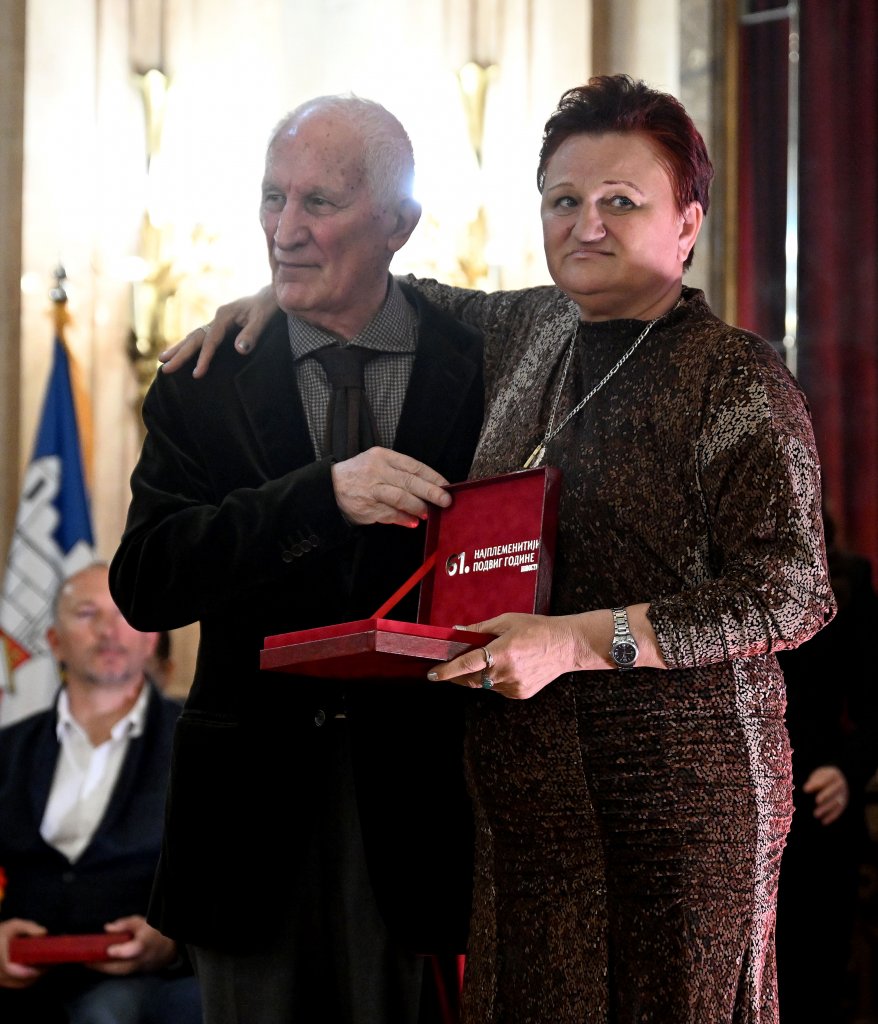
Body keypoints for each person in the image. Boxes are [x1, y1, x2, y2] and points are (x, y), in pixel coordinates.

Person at [169, 75, 837, 1023]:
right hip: (522, 803)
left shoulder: (734, 375)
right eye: (564, 201)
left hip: (680, 802)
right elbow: (381, 286)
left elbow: (793, 592)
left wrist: (577, 640)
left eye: (621, 202)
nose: (587, 225)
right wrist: (269, 299)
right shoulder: (524, 328)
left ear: (687, 222)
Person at [109, 95, 484, 1024]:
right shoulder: (204, 379)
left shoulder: (482, 362)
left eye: (319, 202)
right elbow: (147, 581)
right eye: (273, 197)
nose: (284, 230)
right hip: (246, 828)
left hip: (427, 814)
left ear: (399, 223)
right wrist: (318, 498)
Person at [0, 562, 201, 1024]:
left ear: (150, 639)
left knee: (106, 1012)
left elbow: (230, 865)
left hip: (147, 977)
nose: (109, 631)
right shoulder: (9, 749)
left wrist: (171, 943)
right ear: (54, 642)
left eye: (125, 614)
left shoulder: (196, 743)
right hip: (21, 970)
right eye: (87, 613)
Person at [774, 509, 878, 1024]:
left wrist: (846, 772)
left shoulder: (848, 578)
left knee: (812, 991)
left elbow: (875, 710)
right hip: (736, 814)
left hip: (818, 809)